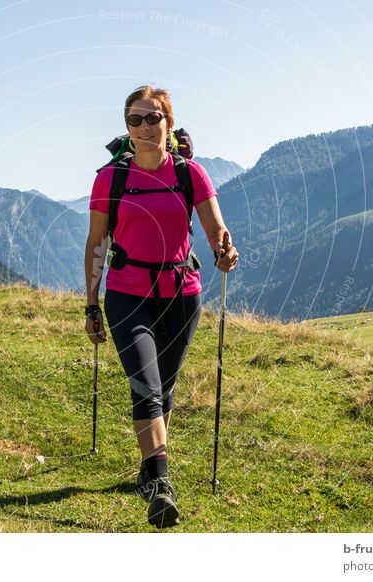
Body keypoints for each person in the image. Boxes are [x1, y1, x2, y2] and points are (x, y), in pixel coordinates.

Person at [83, 85, 238, 528]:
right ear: (127, 127)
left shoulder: (191, 175)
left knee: (164, 388)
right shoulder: (110, 179)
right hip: (128, 296)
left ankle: (149, 466)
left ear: (169, 123)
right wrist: (92, 304)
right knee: (146, 386)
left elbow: (216, 234)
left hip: (182, 295)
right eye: (136, 119)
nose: (145, 126)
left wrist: (226, 253)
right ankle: (162, 483)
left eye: (154, 118)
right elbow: (97, 244)